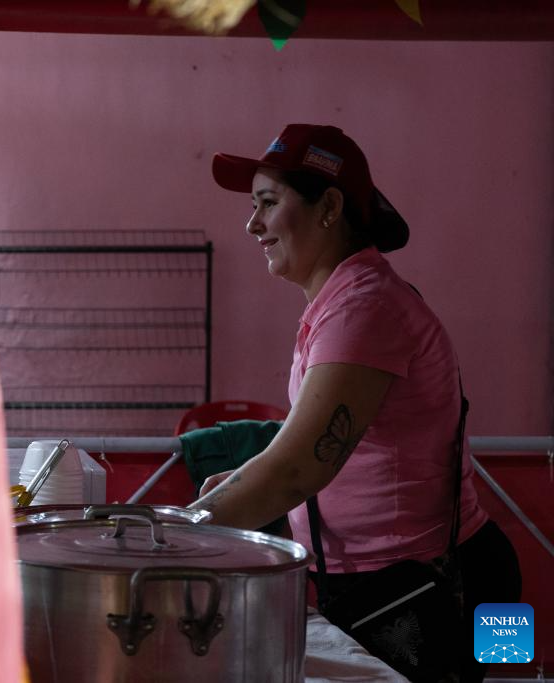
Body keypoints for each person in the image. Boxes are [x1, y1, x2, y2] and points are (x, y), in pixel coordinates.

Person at [189, 123, 521, 682]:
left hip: (438, 592)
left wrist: (173, 536)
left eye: (268, 203)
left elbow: (297, 468)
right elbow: (311, 448)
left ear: (329, 207)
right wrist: (242, 483)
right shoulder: (342, 303)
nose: (252, 224)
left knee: (502, 674)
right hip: (426, 579)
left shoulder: (363, 309)